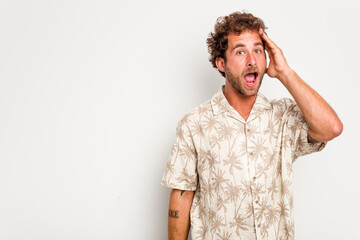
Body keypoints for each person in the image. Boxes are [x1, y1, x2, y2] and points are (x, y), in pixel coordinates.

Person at [161, 11, 342, 240]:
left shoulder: (282, 116)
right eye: (240, 52)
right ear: (222, 64)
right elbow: (181, 194)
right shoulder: (194, 124)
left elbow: (331, 128)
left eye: (258, 50)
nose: (252, 60)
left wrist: (285, 72)